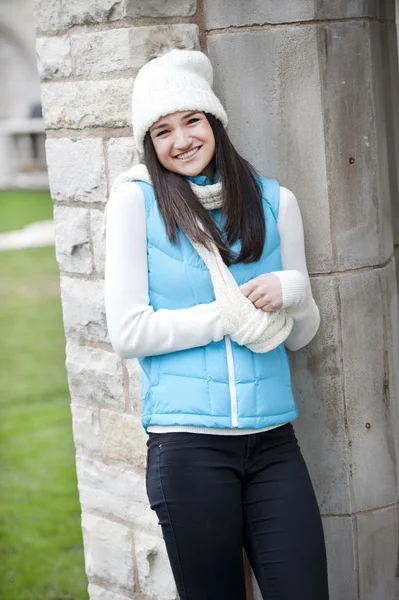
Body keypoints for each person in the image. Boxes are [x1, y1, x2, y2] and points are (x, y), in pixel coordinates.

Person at [105, 28, 329, 600]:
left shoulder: (276, 201)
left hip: (274, 440)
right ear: (148, 142)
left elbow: (301, 337)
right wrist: (227, 314)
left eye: (192, 121)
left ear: (215, 121)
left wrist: (295, 291)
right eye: (162, 130)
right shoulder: (135, 202)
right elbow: (128, 331)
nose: (180, 140)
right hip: (187, 448)